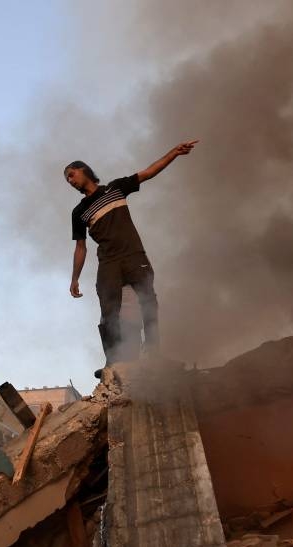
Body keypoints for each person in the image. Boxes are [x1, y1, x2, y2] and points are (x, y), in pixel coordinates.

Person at [64, 140, 198, 373]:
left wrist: (174, 153)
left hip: (134, 256)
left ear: (84, 170)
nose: (70, 180)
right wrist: (74, 278)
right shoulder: (79, 212)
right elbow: (80, 247)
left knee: (148, 302)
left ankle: (154, 353)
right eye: (67, 179)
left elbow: (148, 172)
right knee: (108, 310)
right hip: (109, 263)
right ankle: (113, 362)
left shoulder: (115, 188)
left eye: (71, 174)